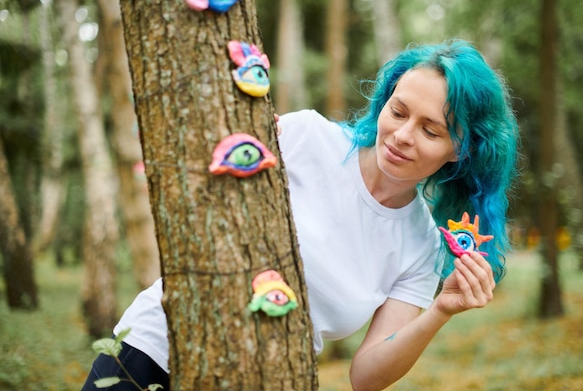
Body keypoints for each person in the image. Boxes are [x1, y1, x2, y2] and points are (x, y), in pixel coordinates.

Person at [81, 39, 519, 391]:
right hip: (155, 350)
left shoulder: (422, 247)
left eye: (430, 130)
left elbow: (365, 377)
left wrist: (440, 310)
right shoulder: (306, 136)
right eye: (398, 111)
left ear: (460, 149)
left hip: (267, 379)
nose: (402, 136)